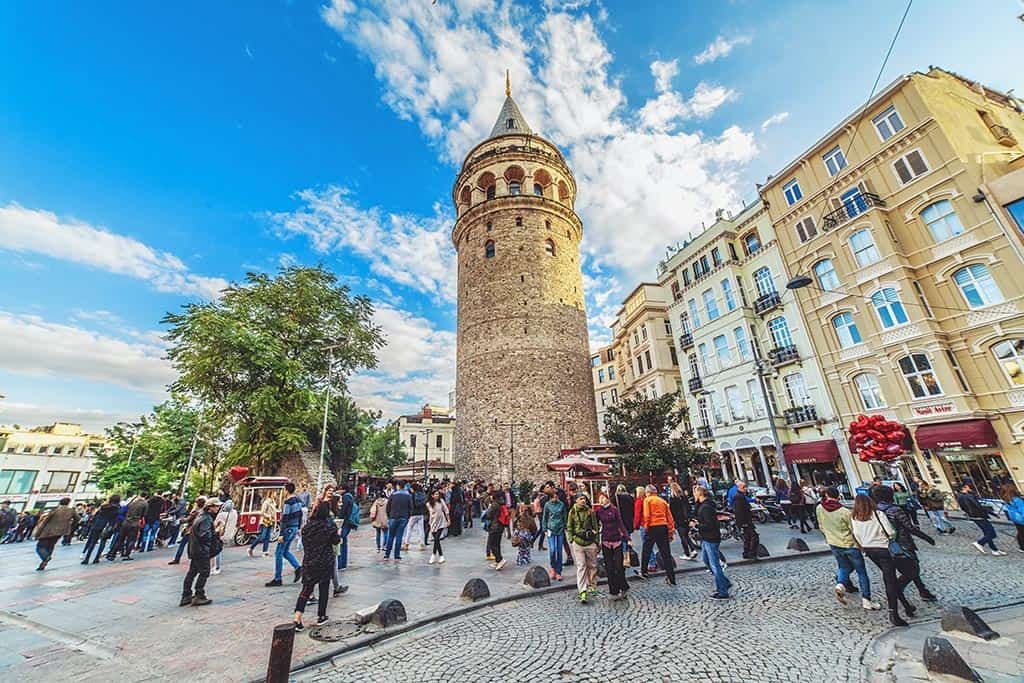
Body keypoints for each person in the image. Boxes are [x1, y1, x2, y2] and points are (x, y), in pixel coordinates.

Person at [850, 494, 914, 626]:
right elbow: (890, 532)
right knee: (901, 575)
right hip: (884, 548)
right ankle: (894, 613)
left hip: (869, 549)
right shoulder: (878, 514)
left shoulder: (854, 517)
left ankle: (905, 605)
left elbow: (856, 535)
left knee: (890, 578)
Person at [872, 485, 938, 602]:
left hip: (885, 544)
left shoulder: (875, 510)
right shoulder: (894, 509)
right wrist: (927, 538)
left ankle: (923, 591)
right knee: (913, 569)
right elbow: (909, 527)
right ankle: (898, 589)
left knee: (909, 569)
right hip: (902, 543)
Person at [817, 487, 879, 610]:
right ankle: (867, 600)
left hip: (834, 543)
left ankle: (840, 585)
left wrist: (829, 537)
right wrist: (861, 545)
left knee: (843, 567)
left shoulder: (819, 508)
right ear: (838, 496)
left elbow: (821, 526)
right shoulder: (844, 512)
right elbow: (854, 530)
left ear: (827, 495)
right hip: (850, 544)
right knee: (861, 572)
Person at [290, 502, 341, 631]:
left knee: (306, 590)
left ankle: (297, 617)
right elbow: (336, 541)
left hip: (309, 561)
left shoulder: (307, 527)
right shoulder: (329, 526)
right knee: (324, 589)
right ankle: (321, 616)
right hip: (324, 561)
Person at [181, 497, 222, 607]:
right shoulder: (206, 519)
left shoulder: (201, 516)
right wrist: (216, 532)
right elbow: (205, 535)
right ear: (210, 507)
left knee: (192, 572)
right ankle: (199, 595)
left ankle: (186, 595)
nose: (218, 508)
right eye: (216, 506)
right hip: (201, 550)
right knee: (204, 572)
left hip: (195, 549)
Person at [692, 485, 730, 599]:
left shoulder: (707, 507)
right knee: (706, 560)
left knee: (714, 565)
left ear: (699, 494)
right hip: (706, 538)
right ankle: (724, 582)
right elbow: (696, 512)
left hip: (710, 537)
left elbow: (709, 524)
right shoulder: (703, 505)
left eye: (695, 493)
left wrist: (697, 525)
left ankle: (722, 590)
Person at [265, 483, 304, 586]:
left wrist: (281, 534)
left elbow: (285, 518)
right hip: (294, 528)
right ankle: (298, 567)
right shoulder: (298, 501)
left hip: (288, 529)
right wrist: (299, 527)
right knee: (285, 551)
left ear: (286, 491)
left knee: (278, 553)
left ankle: (278, 578)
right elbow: (300, 515)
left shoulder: (288, 502)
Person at [594, 491, 630, 600]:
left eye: (603, 498)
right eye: (599, 498)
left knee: (619, 567)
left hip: (616, 540)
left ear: (607, 498)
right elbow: (595, 524)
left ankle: (623, 587)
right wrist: (595, 539)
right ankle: (613, 591)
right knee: (609, 568)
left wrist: (627, 537)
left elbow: (620, 524)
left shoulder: (614, 510)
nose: (601, 500)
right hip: (605, 540)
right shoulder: (598, 511)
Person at [639, 484, 676, 585]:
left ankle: (644, 572)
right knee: (666, 553)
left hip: (652, 526)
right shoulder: (663, 501)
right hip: (663, 526)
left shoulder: (647, 500)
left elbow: (647, 515)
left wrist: (646, 528)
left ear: (648, 493)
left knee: (646, 550)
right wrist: (671, 531)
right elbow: (670, 518)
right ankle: (671, 577)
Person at [566, 494, 599, 603]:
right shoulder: (572, 512)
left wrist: (597, 541)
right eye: (581, 499)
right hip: (578, 542)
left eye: (584, 498)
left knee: (593, 565)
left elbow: (596, 526)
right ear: (576, 501)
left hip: (590, 542)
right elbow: (569, 526)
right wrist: (571, 539)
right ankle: (582, 590)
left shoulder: (590, 511)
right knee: (581, 566)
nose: (583, 500)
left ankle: (592, 585)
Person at [957, 482, 1005, 555]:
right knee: (992, 533)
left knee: (987, 533)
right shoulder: (969, 496)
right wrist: (992, 513)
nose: (971, 488)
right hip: (979, 516)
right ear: (965, 487)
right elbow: (979, 506)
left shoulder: (959, 497)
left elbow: (963, 508)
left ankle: (994, 550)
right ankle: (979, 543)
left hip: (973, 516)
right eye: (969, 487)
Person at [33, 497, 75, 571]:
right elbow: (78, 519)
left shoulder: (55, 510)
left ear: (60, 503)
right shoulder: (71, 511)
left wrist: (38, 533)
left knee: (40, 547)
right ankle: (44, 563)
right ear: (68, 503)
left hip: (48, 531)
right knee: (51, 546)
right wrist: (68, 525)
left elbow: (45, 521)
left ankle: (45, 557)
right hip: (60, 532)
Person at [82, 494, 120, 565]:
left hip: (97, 525)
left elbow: (96, 515)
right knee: (103, 542)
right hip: (107, 526)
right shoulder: (117, 508)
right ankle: (96, 558)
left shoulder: (104, 506)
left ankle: (87, 558)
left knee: (92, 542)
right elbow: (115, 520)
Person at [541, 487, 567, 580]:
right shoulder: (547, 505)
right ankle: (553, 568)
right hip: (550, 529)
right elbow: (545, 517)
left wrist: (564, 526)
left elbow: (565, 516)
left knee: (559, 550)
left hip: (560, 529)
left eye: (556, 497)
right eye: (553, 497)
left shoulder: (561, 505)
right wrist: (544, 529)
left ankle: (558, 571)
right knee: (553, 549)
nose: (555, 499)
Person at [383, 480, 412, 561]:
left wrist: (389, 516)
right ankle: (397, 556)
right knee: (399, 536)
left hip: (393, 517)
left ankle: (387, 555)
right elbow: (410, 508)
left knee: (390, 536)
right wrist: (407, 517)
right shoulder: (408, 495)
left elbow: (388, 507)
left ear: (398, 486)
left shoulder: (393, 495)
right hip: (403, 518)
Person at [169, 497, 204, 565]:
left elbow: (188, 519)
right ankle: (195, 559)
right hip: (198, 531)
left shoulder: (195, 512)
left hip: (190, 530)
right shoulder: (203, 512)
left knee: (182, 545)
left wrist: (181, 520)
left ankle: (177, 559)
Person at [668, 482, 697, 561]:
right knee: (686, 535)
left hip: (678, 519)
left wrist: (672, 521)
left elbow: (671, 511)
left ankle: (687, 553)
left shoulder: (672, 498)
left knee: (683, 537)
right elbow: (689, 507)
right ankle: (693, 549)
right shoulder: (683, 496)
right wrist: (690, 517)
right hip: (686, 518)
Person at [732, 481, 759, 560]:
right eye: (743, 487)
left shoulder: (740, 496)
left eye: (745, 487)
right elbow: (739, 511)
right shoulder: (738, 497)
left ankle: (747, 553)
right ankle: (751, 553)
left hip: (746, 520)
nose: (745, 489)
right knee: (754, 536)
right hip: (745, 521)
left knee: (748, 537)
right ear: (739, 487)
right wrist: (743, 523)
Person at [119, 492, 148, 561]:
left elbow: (126, 509)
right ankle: (127, 554)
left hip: (126, 522)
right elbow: (144, 514)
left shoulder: (132, 501)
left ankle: (116, 553)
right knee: (131, 539)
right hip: (135, 523)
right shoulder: (145, 504)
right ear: (146, 496)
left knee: (122, 538)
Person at [483, 493, 509, 570]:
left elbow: (488, 515)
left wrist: (489, 506)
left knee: (492, 544)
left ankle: (500, 559)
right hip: (500, 526)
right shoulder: (501, 503)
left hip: (494, 526)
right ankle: (498, 560)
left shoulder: (494, 504)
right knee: (497, 544)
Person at [213, 499, 238, 575]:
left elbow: (215, 524)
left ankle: (217, 567)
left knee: (217, 551)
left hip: (221, 534)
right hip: (229, 534)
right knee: (219, 549)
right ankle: (216, 566)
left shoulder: (221, 515)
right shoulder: (235, 513)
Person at [337, 484, 358, 571]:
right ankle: (343, 563)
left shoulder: (345, 497)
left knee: (340, 541)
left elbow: (344, 510)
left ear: (342, 489)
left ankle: (340, 563)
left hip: (345, 522)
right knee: (344, 542)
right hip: (348, 522)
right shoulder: (350, 496)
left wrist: (339, 518)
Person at [427, 489, 450, 564]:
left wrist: (448, 520)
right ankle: (441, 556)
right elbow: (428, 514)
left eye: (438, 494)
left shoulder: (441, 501)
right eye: (435, 494)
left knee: (437, 538)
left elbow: (446, 510)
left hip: (441, 522)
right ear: (432, 495)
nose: (437, 495)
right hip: (433, 523)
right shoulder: (428, 504)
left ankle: (433, 555)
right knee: (437, 540)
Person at [999, 483, 1024, 553]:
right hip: (1021, 519)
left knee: (1021, 532)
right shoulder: (1017, 500)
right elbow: (1023, 510)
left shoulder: (1006, 499)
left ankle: (1022, 547)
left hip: (1015, 519)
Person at [403, 482, 427, 552]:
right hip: (421, 514)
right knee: (421, 530)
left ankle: (406, 544)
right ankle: (422, 545)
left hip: (413, 514)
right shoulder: (422, 494)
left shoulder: (411, 495)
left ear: (412, 488)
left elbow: (409, 505)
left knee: (409, 529)